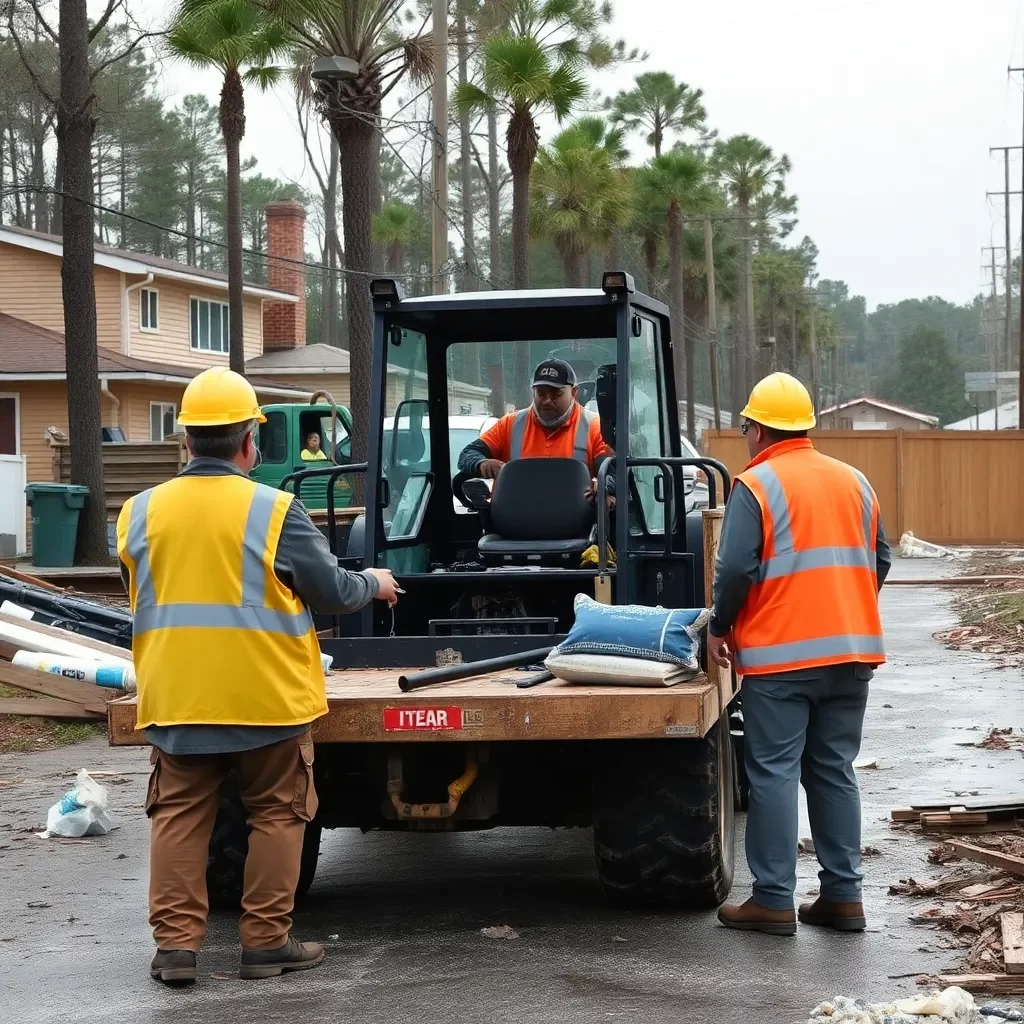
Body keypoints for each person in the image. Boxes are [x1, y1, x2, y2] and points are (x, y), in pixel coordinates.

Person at [116, 367, 399, 985]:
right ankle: (266, 944)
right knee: (276, 811)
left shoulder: (137, 514)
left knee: (179, 816)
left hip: (177, 698)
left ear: (186, 441)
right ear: (251, 442)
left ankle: (176, 950)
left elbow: (140, 596)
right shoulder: (275, 510)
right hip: (265, 698)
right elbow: (331, 591)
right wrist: (373, 584)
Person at [710, 372, 891, 937]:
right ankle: (843, 897)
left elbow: (736, 567)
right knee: (834, 770)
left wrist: (720, 625)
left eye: (745, 427)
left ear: (759, 429)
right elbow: (879, 559)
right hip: (852, 652)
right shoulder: (855, 481)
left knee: (774, 773)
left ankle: (773, 900)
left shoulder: (757, 484)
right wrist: (844, 611)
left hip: (782, 660)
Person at [457, 358, 613, 501]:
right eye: (541, 393)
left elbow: (611, 472)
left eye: (556, 394)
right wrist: (482, 463)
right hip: (514, 524)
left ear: (573, 393)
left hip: (575, 527)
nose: (547, 401)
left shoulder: (594, 426)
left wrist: (603, 486)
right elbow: (467, 455)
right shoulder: (510, 424)